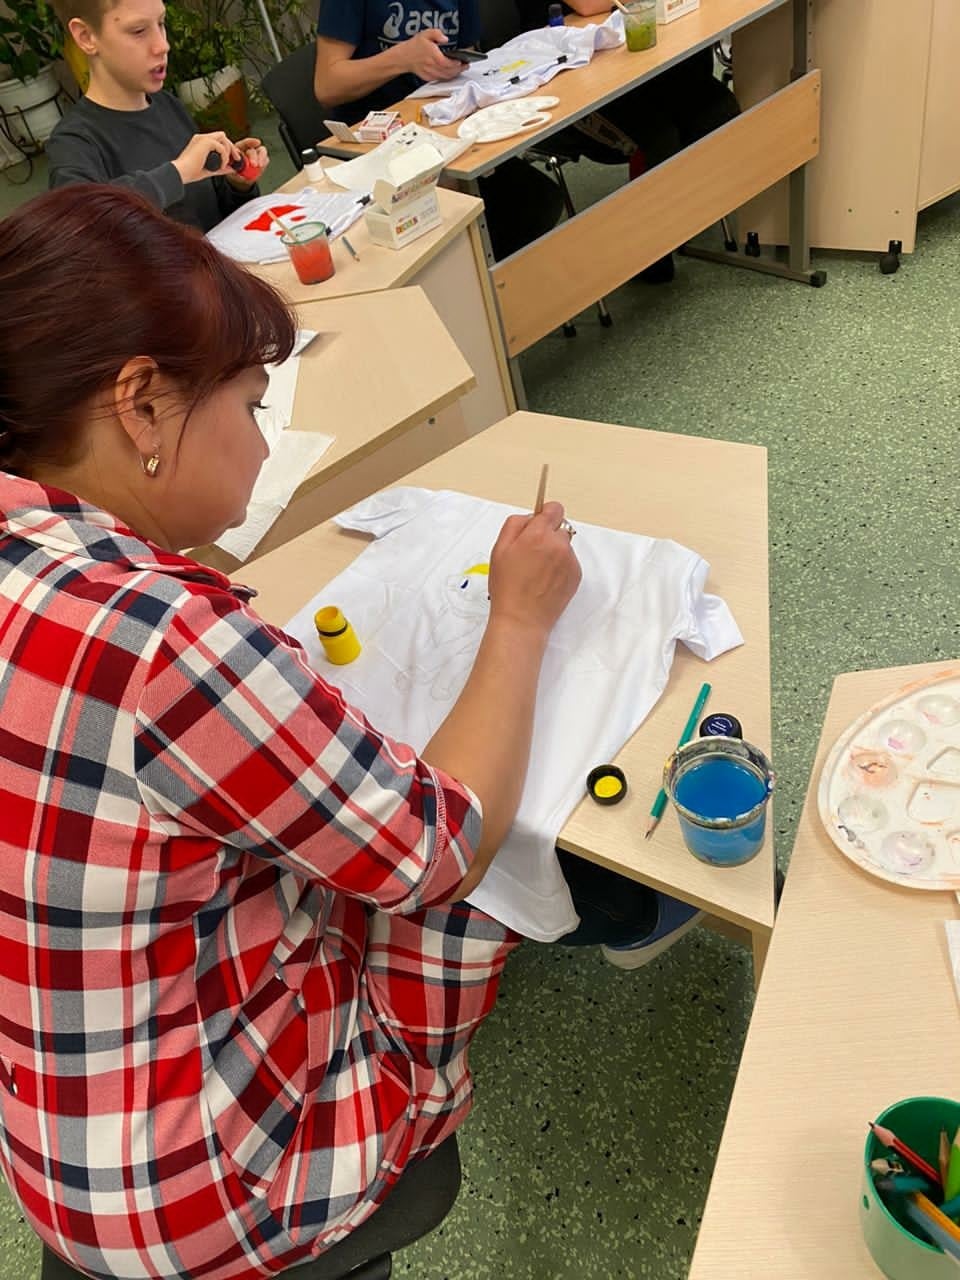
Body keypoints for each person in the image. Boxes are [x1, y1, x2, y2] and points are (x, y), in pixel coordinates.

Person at [0, 183, 582, 1277]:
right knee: (480, 862)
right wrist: (518, 617)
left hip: (60, 1151)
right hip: (203, 1188)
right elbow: (437, 846)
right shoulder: (163, 641)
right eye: (253, 407)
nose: (265, 451)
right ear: (141, 405)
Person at [509, 0, 741, 282]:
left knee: (719, 109)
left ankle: (681, 214)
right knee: (659, 138)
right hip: (567, 86)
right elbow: (587, 5)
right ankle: (645, 254)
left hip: (638, 58)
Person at [313, 1, 564, 259]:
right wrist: (402, 59)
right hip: (374, 150)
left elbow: (465, 53)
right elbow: (327, 86)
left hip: (441, 130)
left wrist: (449, 67)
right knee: (477, 224)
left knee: (536, 202)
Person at [47, 0, 269, 233]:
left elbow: (213, 219)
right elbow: (82, 225)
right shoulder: (73, 143)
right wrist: (179, 173)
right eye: (138, 31)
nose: (163, 46)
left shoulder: (168, 105)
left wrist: (236, 185)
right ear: (86, 37)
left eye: (161, 23)